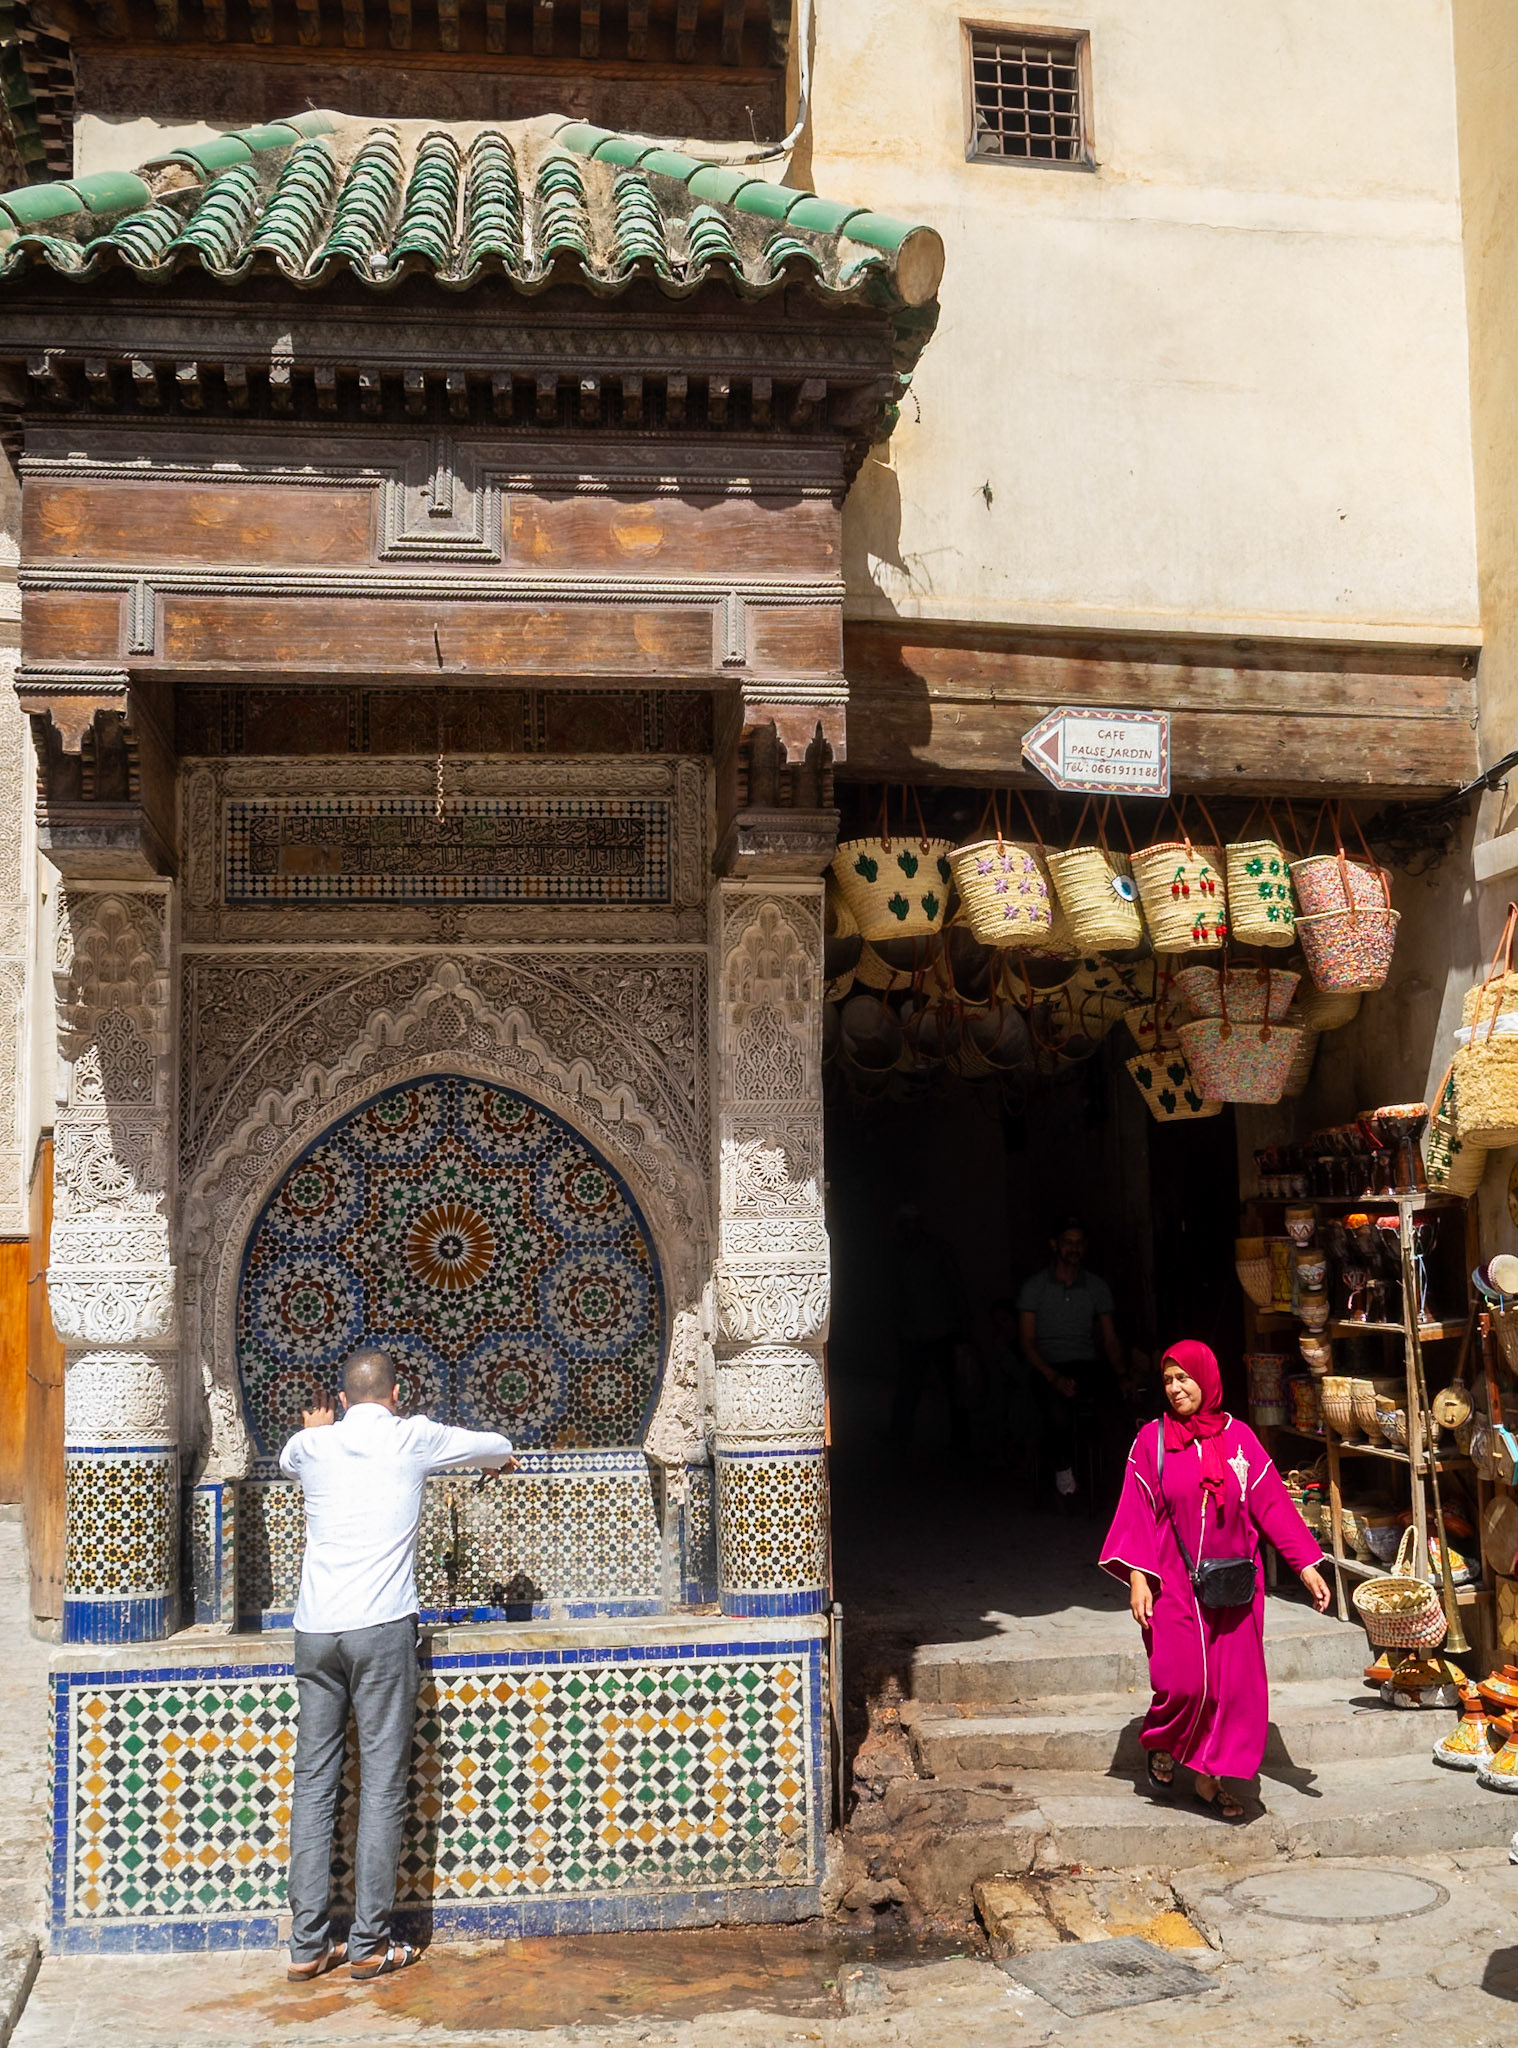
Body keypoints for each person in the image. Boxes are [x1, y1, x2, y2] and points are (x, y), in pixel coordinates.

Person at [279, 1346, 518, 1983]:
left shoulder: (312, 1447)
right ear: (396, 1393)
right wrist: (501, 1460)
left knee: (314, 1782)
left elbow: (290, 1456)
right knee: (382, 1789)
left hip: (315, 1631)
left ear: (342, 1396)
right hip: (381, 1629)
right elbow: (496, 1442)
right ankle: (368, 1945)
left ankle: (306, 1946)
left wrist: (314, 1432)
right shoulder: (414, 1437)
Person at [1099, 1339, 1331, 1821]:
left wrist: (1306, 1566)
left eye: (1184, 1378)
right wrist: (1138, 1578)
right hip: (1173, 1583)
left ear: (1206, 1378)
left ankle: (1211, 1778)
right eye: (1168, 1380)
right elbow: (1137, 1513)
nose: (1176, 1388)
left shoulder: (1240, 1438)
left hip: (1233, 1588)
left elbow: (1272, 1506)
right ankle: (1163, 1741)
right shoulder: (1152, 1442)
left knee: (1232, 1689)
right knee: (1181, 1682)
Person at [1017, 1217, 1126, 1498]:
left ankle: (1110, 1478)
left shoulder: (1096, 1286)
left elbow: (1110, 1338)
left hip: (1084, 1363)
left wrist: (1122, 1373)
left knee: (1115, 1403)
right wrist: (1053, 1376)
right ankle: (1063, 1468)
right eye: (1068, 1242)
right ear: (1055, 1246)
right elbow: (1027, 1341)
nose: (1074, 1248)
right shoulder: (1035, 1286)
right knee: (1055, 1410)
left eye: (1079, 1243)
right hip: (1047, 1365)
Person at [887, 1204, 969, 1449]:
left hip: (940, 1330)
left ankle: (961, 1437)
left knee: (953, 1387)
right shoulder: (900, 1252)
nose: (910, 1228)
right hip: (915, 1331)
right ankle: (900, 1436)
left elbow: (955, 1287)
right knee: (909, 1389)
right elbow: (893, 1292)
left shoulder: (937, 1250)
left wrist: (960, 1324)